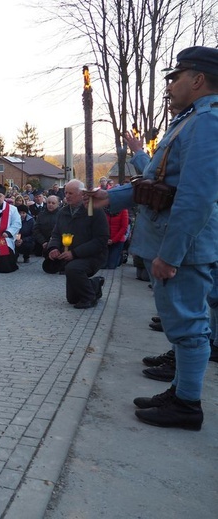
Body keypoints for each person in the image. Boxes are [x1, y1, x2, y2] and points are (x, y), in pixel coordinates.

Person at [89, 46, 218, 430]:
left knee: (190, 326)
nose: (172, 83)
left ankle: (187, 405)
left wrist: (172, 255)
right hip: (169, 241)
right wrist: (109, 198)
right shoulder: (189, 120)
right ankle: (180, 391)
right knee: (181, 323)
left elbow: (195, 199)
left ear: (197, 80)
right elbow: (157, 185)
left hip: (181, 246)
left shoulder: (208, 123)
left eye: (176, 76)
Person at [47, 179, 108, 309]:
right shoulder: (63, 212)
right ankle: (95, 285)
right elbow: (56, 233)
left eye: (71, 193)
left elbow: (101, 240)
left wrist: (75, 253)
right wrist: (53, 248)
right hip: (71, 255)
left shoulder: (95, 211)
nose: (67, 196)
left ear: (82, 194)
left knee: (73, 268)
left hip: (92, 256)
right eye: (66, 193)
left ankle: (89, 298)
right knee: (72, 299)